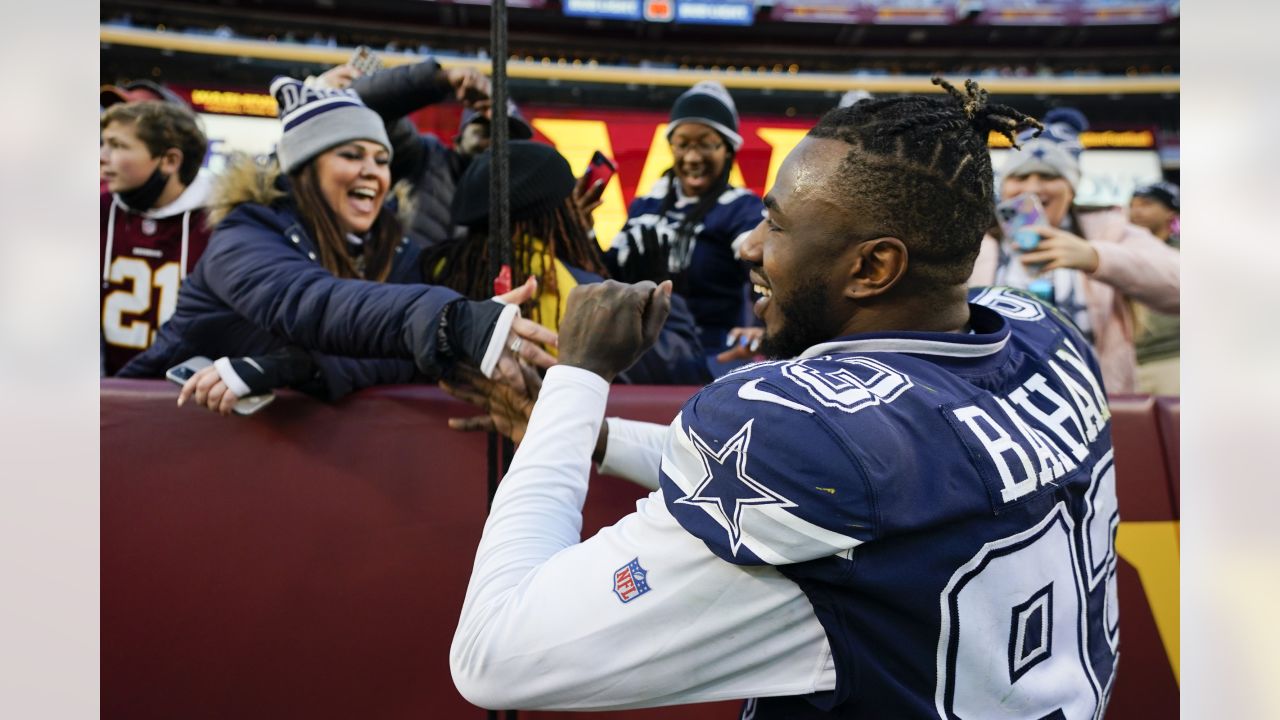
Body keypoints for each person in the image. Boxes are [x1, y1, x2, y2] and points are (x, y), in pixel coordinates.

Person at [447, 79, 1121, 718]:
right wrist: (591, 435)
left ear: (872, 267)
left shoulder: (807, 438)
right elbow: (892, 474)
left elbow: (493, 654)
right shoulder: (1043, 339)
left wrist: (579, 376)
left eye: (776, 223)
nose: (748, 245)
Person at [117, 76, 554, 412]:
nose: (373, 171)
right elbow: (314, 304)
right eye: (351, 155)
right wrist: (448, 319)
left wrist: (301, 368)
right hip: (144, 428)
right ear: (304, 168)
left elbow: (399, 357)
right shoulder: (243, 233)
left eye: (382, 160)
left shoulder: (395, 248)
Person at [431, 140, 709, 386]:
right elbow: (685, 367)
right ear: (559, 216)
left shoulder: (435, 271)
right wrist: (662, 295)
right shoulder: (577, 289)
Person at [967, 107, 1179, 393]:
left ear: (1072, 187)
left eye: (1048, 176)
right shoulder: (974, 237)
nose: (1033, 187)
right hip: (999, 399)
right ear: (1004, 185)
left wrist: (1096, 257)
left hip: (1094, 398)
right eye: (1020, 176)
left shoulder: (1108, 230)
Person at [604, 81, 766, 363]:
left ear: (728, 148)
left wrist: (762, 329)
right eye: (682, 144)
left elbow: (768, 269)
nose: (692, 157)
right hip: (638, 351)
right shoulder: (646, 205)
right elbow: (607, 272)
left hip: (712, 355)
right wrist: (581, 229)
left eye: (705, 144)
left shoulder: (742, 208)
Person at [100, 100, 214, 375]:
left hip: (184, 401)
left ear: (170, 160)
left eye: (117, 145)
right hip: (104, 395)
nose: (103, 155)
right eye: (103, 143)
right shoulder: (96, 210)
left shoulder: (222, 221)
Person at [1127, 181, 1180, 394]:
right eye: (1132, 205)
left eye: (1146, 204)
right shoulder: (1115, 253)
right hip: (1127, 362)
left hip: (1171, 357)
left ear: (1170, 212)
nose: (1136, 211)